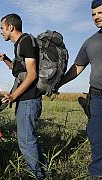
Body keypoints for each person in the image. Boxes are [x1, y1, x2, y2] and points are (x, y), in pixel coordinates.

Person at [0, 13, 45, 178]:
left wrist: (13, 96)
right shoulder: (20, 44)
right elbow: (20, 71)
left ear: (10, 27)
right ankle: (41, 172)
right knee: (29, 140)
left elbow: (32, 74)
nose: (1, 31)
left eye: (2, 28)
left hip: (29, 100)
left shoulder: (26, 41)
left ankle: (36, 176)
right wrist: (4, 58)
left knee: (26, 141)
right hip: (25, 99)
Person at [56, 1, 102, 178]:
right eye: (93, 14)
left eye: (100, 13)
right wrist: (58, 84)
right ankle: (97, 174)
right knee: (97, 139)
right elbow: (77, 68)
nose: (96, 17)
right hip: (97, 98)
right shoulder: (90, 42)